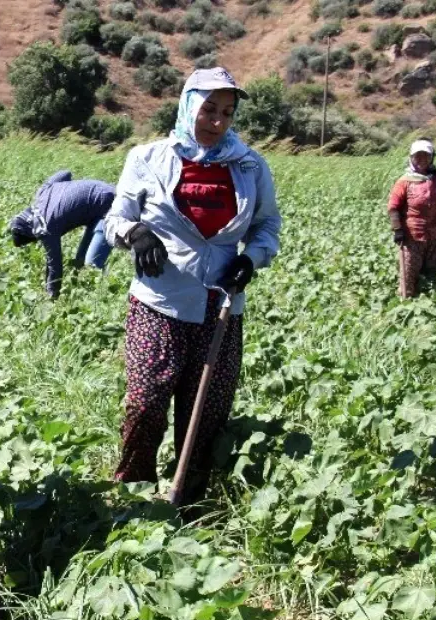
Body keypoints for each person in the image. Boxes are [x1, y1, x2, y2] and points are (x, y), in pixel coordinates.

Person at [105, 67, 281, 508]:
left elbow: (266, 227)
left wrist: (250, 259)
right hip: (159, 301)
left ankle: (189, 500)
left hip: (219, 305)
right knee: (146, 404)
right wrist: (135, 234)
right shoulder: (147, 158)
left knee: (206, 412)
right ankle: (134, 494)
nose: (217, 121)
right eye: (208, 109)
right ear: (188, 106)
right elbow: (115, 219)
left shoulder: (249, 165)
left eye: (226, 112)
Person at [8, 171, 115, 299]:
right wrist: (70, 195)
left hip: (114, 206)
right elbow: (65, 173)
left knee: (92, 265)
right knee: (79, 262)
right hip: (101, 195)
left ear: (31, 233)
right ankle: (85, 297)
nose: (36, 241)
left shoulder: (45, 228)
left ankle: (98, 301)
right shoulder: (42, 193)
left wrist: (52, 294)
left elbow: (55, 264)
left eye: (32, 240)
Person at [388, 139, 436, 299]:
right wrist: (398, 230)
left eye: (426, 156)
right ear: (411, 158)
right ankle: (407, 302)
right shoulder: (404, 182)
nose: (422, 160)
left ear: (432, 158)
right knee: (409, 274)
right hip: (412, 235)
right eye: (418, 156)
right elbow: (393, 207)